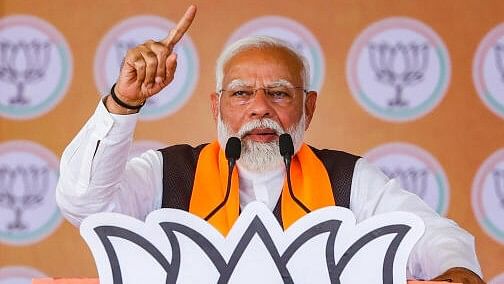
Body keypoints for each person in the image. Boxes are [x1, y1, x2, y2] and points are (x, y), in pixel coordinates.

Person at [56, 5, 485, 283]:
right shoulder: (167, 173)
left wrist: (454, 268)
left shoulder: (347, 179)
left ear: (308, 108)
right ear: (216, 107)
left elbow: (430, 233)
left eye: (279, 93)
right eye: (241, 93)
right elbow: (84, 206)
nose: (259, 108)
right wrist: (123, 101)